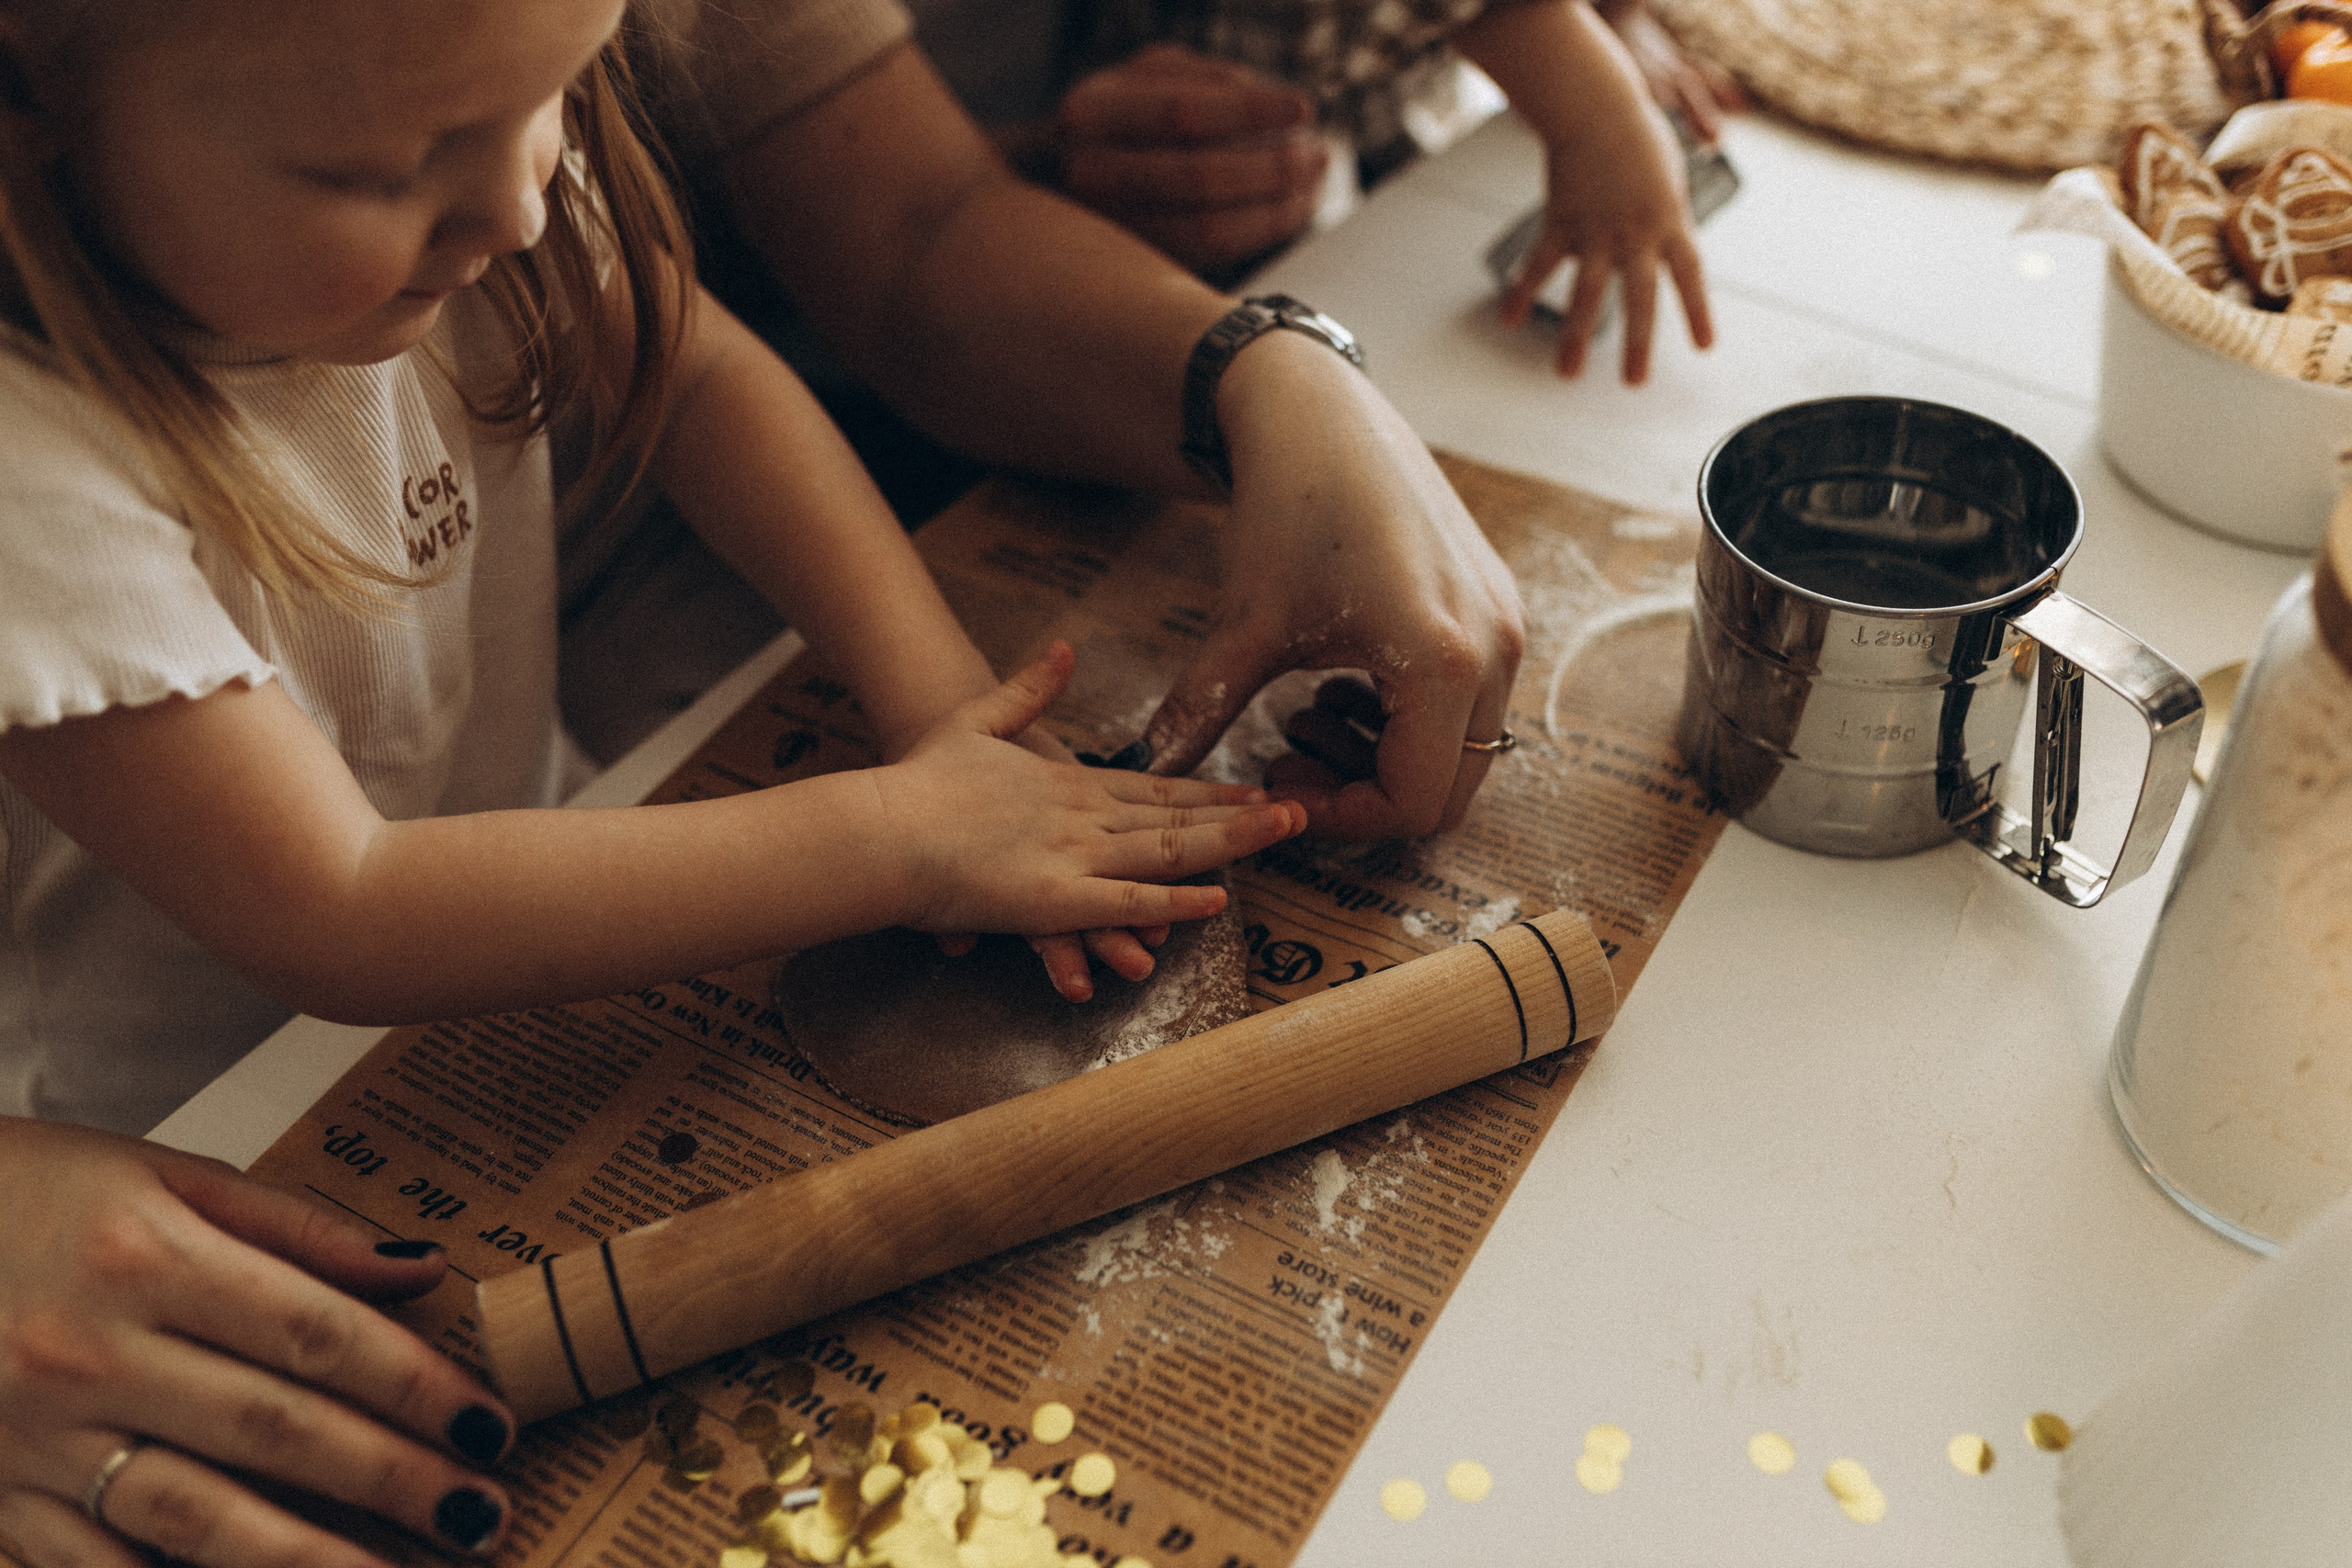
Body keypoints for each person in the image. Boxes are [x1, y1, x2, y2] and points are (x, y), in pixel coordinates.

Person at [0, 0, 1317, 1560]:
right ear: (33, 125)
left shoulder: (483, 179)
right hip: (192, 1131)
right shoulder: (33, 463)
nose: (515, 201)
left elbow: (692, 374)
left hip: (508, 921)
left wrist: (939, 707)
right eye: (385, 169)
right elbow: (342, 906)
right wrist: (904, 839)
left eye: (560, 89)